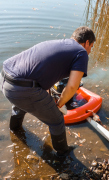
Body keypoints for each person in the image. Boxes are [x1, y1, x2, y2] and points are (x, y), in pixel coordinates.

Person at [0, 26, 95, 157]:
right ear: (87, 43)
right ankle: (63, 153)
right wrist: (60, 104)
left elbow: (38, 70)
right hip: (21, 88)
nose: (90, 50)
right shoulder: (81, 52)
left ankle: (14, 130)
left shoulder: (58, 44)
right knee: (56, 119)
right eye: (91, 46)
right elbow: (73, 87)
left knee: (20, 104)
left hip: (5, 79)